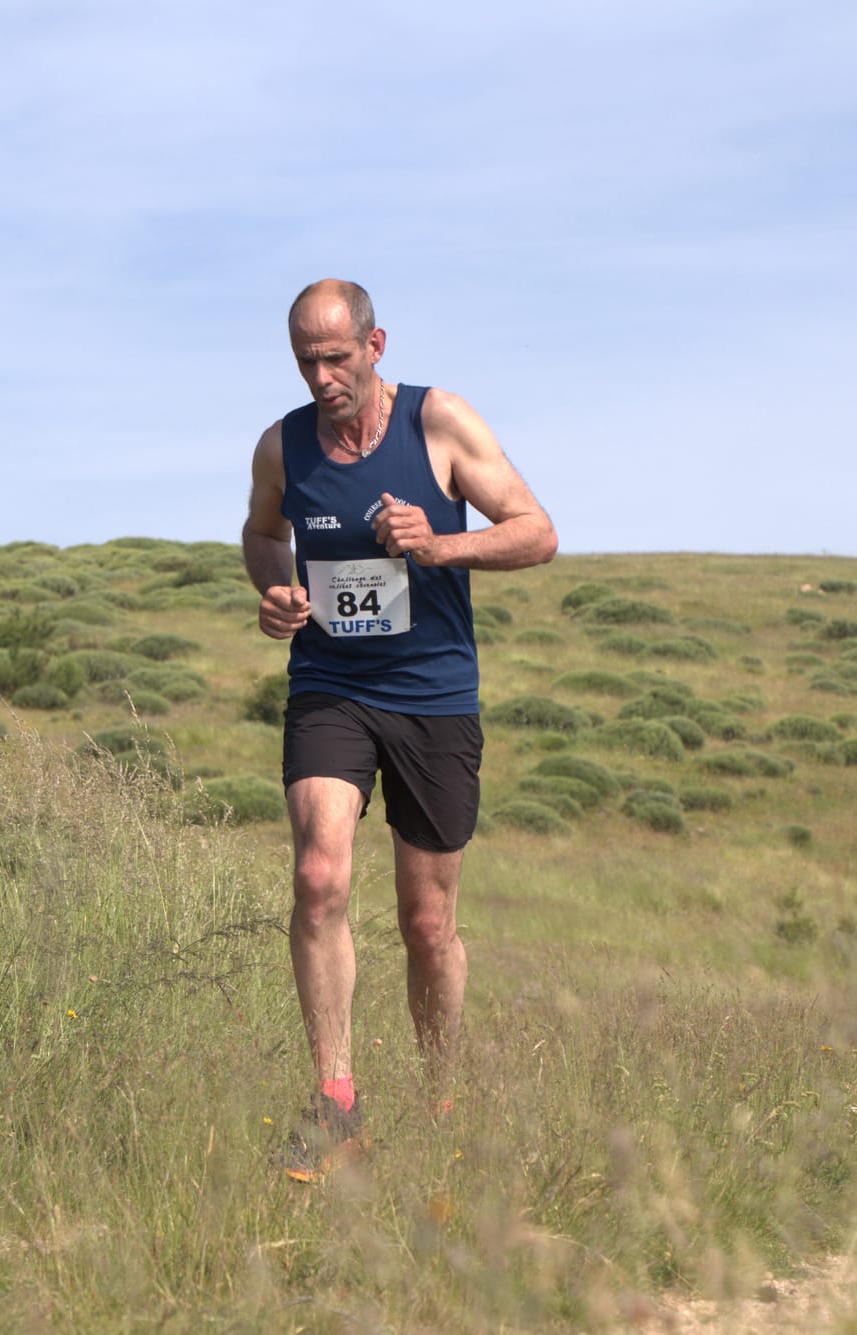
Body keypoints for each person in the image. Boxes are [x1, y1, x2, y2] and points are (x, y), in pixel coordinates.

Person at [241, 279, 558, 1180]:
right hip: (331, 682)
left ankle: (443, 1098)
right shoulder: (284, 445)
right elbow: (261, 532)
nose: (321, 376)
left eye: (336, 357)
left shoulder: (441, 424)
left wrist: (441, 543)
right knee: (317, 874)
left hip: (432, 692)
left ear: (377, 346)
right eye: (306, 359)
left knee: (426, 925)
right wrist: (274, 588)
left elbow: (537, 533)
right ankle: (336, 1105)